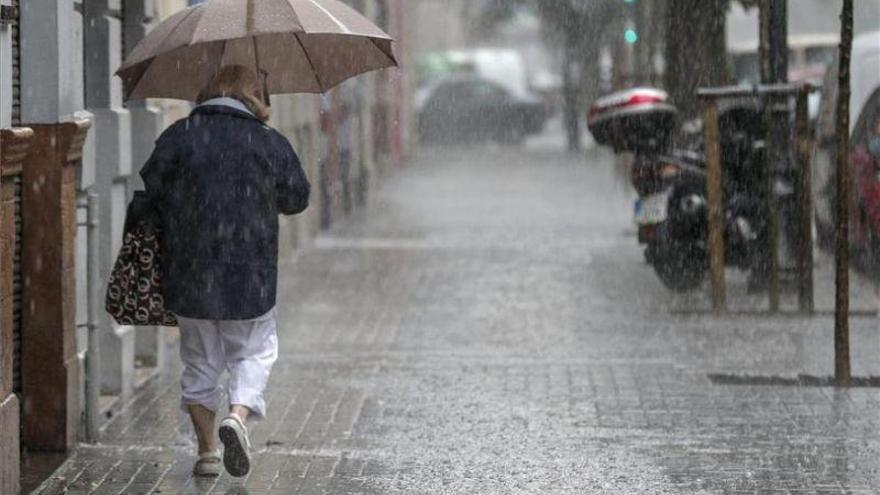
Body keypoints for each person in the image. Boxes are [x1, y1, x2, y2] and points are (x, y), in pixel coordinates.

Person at [139, 65, 310, 477]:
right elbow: (297, 198)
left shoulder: (179, 136)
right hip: (249, 274)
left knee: (199, 361)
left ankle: (207, 452)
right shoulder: (268, 142)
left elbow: (153, 188)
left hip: (190, 272)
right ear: (254, 96)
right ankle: (237, 414)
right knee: (254, 351)